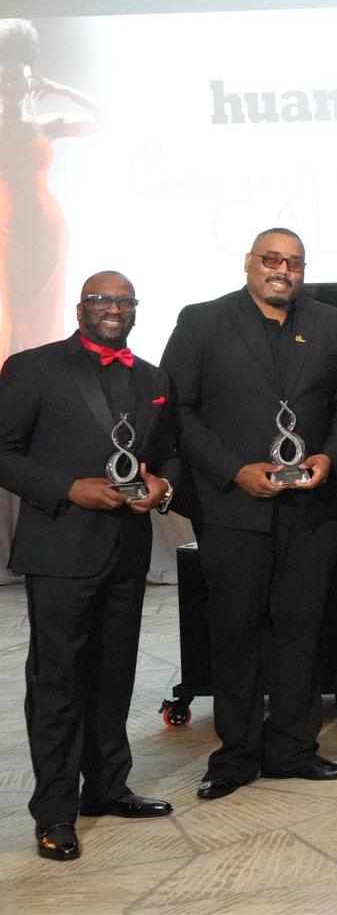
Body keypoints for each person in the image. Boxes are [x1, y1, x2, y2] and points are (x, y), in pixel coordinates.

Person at [163, 228, 337, 799]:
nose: (282, 270)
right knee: (235, 631)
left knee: (302, 629)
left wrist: (330, 456)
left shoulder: (330, 322)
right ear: (249, 262)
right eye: (271, 259)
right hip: (233, 506)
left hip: (311, 506)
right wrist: (234, 470)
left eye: (294, 262)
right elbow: (178, 409)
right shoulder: (202, 321)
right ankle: (236, 755)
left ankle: (293, 749)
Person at [0, 272, 178, 860]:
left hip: (126, 550)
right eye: (103, 299)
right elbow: (3, 452)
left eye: (125, 300)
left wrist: (162, 485)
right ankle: (54, 810)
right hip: (60, 549)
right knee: (56, 683)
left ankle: (107, 788)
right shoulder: (33, 368)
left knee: (114, 675)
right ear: (81, 308)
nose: (114, 308)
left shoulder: (153, 378)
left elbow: (168, 453)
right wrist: (68, 489)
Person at [2, 18, 98, 354]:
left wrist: (63, 91)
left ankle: (44, 377)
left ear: (31, 82)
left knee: (44, 315)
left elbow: (106, 119)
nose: (11, 87)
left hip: (48, 230)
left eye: (18, 80)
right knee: (14, 316)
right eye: (4, 80)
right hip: (7, 231)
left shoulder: (45, 124)